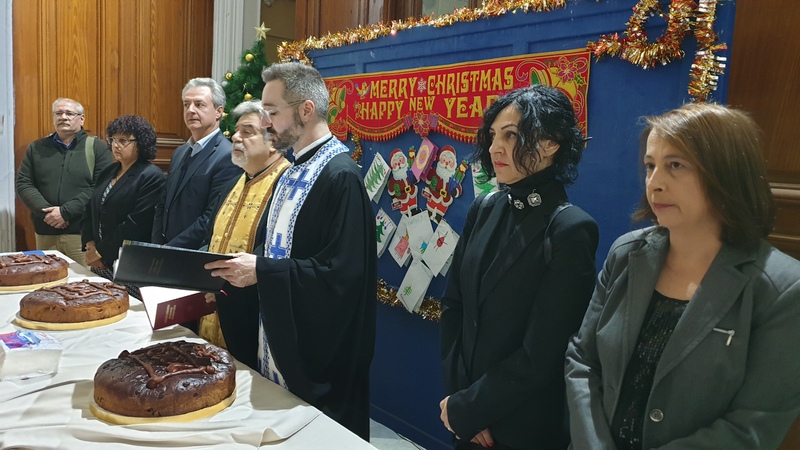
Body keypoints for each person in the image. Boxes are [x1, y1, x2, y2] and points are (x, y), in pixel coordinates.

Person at [565, 103, 800, 449]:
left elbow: (753, 424)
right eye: (650, 166)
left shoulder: (782, 288)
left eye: (675, 165)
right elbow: (583, 360)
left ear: (726, 172)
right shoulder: (626, 254)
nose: (655, 183)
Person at [205, 62, 377, 441]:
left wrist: (262, 271)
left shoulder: (340, 176)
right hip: (275, 336)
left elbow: (342, 276)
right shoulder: (292, 170)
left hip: (316, 356)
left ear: (305, 110)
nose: (266, 123)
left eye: (272, 112)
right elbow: (272, 247)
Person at [439, 85, 599, 449]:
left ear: (551, 143)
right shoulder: (485, 208)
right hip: (465, 417)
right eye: (494, 135)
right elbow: (453, 306)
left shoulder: (569, 229)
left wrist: (474, 407)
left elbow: (542, 354)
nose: (495, 147)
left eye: (510, 135)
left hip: (522, 428)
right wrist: (460, 402)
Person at [196, 100, 290, 350]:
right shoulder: (233, 184)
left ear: (273, 142)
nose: (235, 137)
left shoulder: (289, 188)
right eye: (236, 130)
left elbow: (279, 256)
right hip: (212, 305)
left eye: (247, 131)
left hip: (252, 315)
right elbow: (210, 237)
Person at [16, 98, 112, 265]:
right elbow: (24, 183)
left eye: (69, 113)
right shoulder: (36, 148)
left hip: (81, 235)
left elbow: (101, 187)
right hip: (45, 232)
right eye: (58, 113)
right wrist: (48, 214)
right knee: (47, 279)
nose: (63, 117)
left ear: (81, 119)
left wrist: (65, 212)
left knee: (83, 280)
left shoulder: (98, 148)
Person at [81, 115, 166, 298]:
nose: (116, 145)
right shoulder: (108, 171)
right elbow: (90, 209)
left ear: (141, 143)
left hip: (130, 264)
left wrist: (100, 252)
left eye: (123, 140)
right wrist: (90, 245)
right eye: (113, 139)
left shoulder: (151, 176)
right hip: (100, 263)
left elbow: (136, 224)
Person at [152, 77, 241, 249]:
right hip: (166, 250)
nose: (190, 110)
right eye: (186, 104)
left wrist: (171, 248)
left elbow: (211, 217)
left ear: (218, 111)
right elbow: (163, 205)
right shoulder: (179, 152)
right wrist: (157, 246)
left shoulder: (228, 156)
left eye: (199, 104)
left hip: (195, 254)